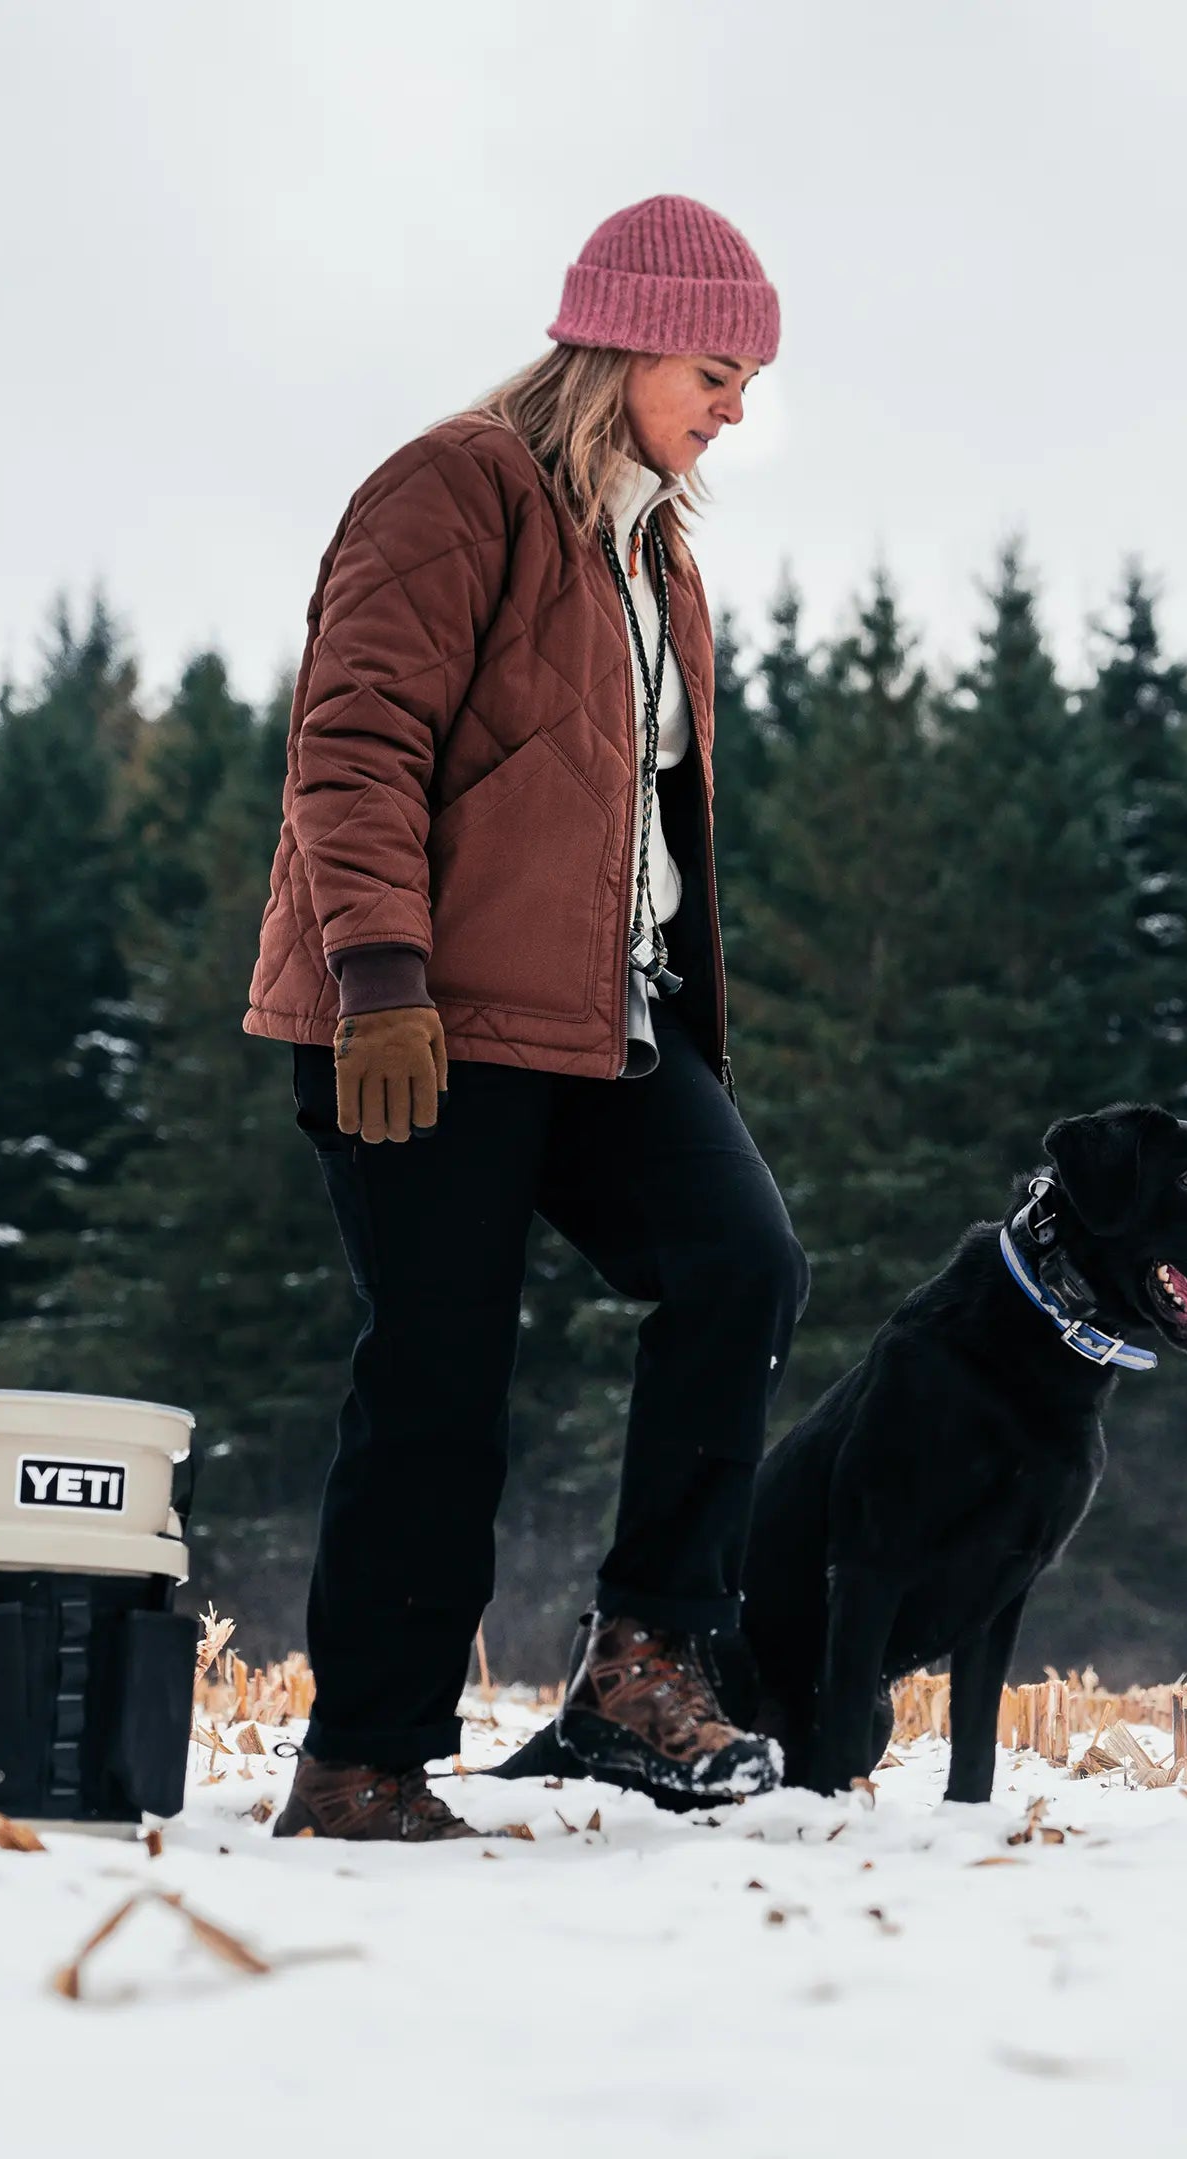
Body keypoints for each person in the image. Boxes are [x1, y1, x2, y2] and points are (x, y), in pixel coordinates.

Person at [244, 195, 811, 1841]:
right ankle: (363, 1759)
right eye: (714, 370)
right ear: (623, 341)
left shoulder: (656, 549)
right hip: (420, 1015)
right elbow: (353, 743)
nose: (735, 409)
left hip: (601, 1018)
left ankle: (644, 1659)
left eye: (749, 383)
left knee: (745, 1265)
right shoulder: (458, 487)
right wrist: (379, 978)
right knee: (440, 1369)